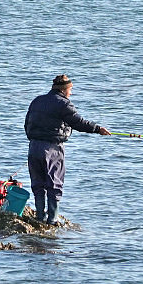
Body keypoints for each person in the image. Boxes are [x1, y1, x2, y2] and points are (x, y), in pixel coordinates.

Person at [24, 74, 110, 224]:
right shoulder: (63, 104)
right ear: (64, 90)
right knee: (54, 183)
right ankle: (52, 219)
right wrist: (98, 129)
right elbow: (78, 123)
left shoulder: (37, 101)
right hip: (52, 148)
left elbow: (27, 124)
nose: (71, 93)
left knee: (38, 184)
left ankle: (40, 216)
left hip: (34, 147)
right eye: (70, 90)